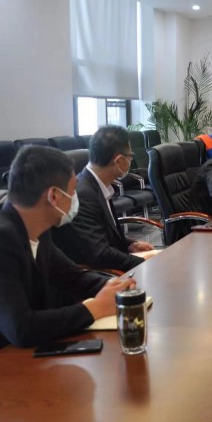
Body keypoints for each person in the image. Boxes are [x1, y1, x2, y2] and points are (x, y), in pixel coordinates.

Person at [0, 146, 135, 348]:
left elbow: (72, 276)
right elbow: (21, 328)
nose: (75, 198)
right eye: (72, 191)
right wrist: (96, 308)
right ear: (54, 196)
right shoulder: (4, 240)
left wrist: (113, 286)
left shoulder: (38, 229)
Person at [52, 126, 158, 272]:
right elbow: (99, 254)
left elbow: (104, 233)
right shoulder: (84, 195)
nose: (131, 160)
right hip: (97, 275)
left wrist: (129, 245)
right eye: (130, 156)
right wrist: (143, 261)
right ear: (119, 161)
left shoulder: (99, 185)